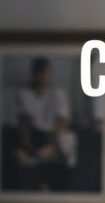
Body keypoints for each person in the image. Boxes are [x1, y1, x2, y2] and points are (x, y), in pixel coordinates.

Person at [14, 57, 77, 190]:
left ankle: (41, 161)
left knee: (68, 139)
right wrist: (30, 148)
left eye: (48, 73)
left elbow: (62, 124)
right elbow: (24, 126)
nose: (46, 77)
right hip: (36, 139)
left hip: (54, 139)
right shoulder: (24, 95)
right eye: (42, 73)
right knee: (18, 154)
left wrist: (50, 147)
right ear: (35, 74)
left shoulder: (59, 94)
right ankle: (37, 162)